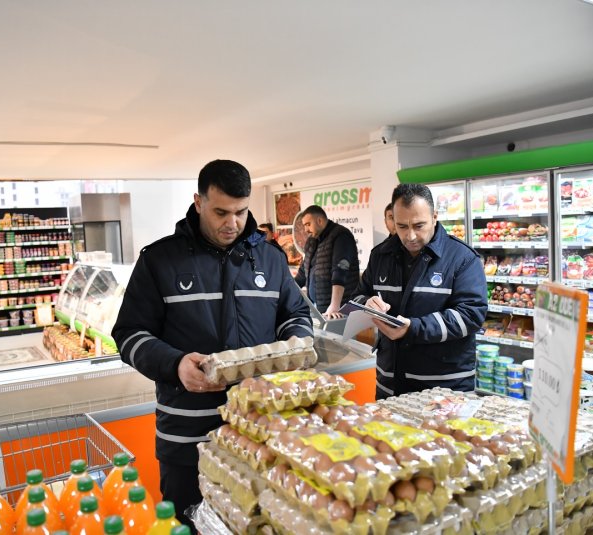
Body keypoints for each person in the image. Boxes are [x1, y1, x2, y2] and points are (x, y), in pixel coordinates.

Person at [111, 160, 312, 527]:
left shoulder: (270, 257)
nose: (231, 223)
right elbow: (129, 334)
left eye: (240, 212)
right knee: (188, 524)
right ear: (198, 202)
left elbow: (294, 314)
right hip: (188, 437)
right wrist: (175, 365)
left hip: (258, 432)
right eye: (221, 211)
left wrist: (297, 341)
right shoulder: (159, 259)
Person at [355, 183, 487, 398]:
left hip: (444, 390)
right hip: (390, 383)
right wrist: (367, 303)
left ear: (434, 217)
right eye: (402, 226)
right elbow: (359, 295)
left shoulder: (462, 258)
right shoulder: (380, 255)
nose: (411, 236)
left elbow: (472, 315)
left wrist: (413, 328)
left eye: (419, 225)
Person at [294, 205, 360, 318]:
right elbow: (302, 273)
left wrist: (335, 305)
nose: (306, 230)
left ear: (319, 220)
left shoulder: (341, 236)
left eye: (308, 224)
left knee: (336, 336)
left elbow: (340, 272)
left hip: (338, 310)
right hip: (317, 308)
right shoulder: (311, 241)